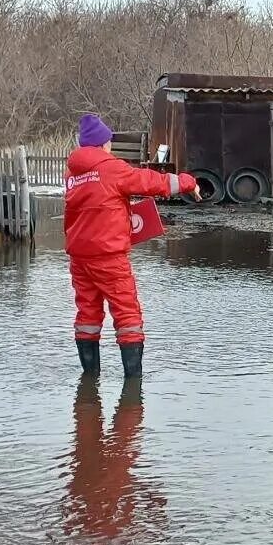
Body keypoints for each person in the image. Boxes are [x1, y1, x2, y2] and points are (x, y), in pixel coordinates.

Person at [65, 113, 200, 377]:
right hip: (109, 256)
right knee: (127, 315)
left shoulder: (71, 173)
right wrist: (188, 182)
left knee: (87, 315)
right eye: (108, 142)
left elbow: (72, 215)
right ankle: (132, 390)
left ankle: (90, 382)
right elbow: (154, 183)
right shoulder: (112, 168)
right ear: (103, 144)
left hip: (79, 256)